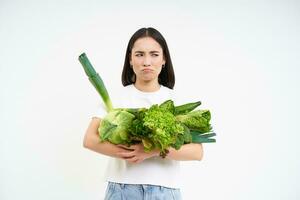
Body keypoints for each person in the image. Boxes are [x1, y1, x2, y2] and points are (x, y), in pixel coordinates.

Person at [83, 27, 203, 200]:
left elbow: (197, 151)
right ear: (130, 60)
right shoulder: (115, 98)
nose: (147, 61)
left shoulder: (176, 100)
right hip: (122, 190)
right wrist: (132, 152)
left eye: (154, 54)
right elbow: (90, 140)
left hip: (166, 192)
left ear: (164, 59)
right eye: (139, 54)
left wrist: (152, 151)